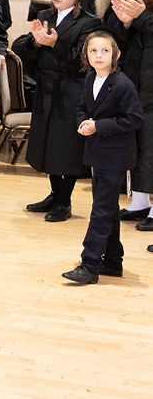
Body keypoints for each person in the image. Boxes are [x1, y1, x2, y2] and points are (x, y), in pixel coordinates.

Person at [14, 0, 100, 222]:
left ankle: (65, 200)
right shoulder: (44, 16)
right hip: (45, 91)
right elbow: (27, 55)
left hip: (71, 92)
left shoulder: (89, 22)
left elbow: (82, 61)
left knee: (67, 148)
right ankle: (54, 193)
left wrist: (55, 43)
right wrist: (35, 44)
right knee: (47, 145)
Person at [62, 31, 143, 283]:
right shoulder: (89, 79)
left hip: (115, 155)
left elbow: (134, 118)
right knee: (106, 207)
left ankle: (90, 264)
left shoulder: (122, 84)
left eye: (105, 51)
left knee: (100, 209)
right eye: (93, 51)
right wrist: (83, 123)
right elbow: (82, 108)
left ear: (115, 54)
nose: (99, 55)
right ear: (86, 55)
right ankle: (113, 260)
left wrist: (98, 126)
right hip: (98, 153)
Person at [108, 0, 153, 232]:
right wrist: (125, 23)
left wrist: (141, 17)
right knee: (138, 146)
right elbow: (117, 37)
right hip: (137, 85)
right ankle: (139, 201)